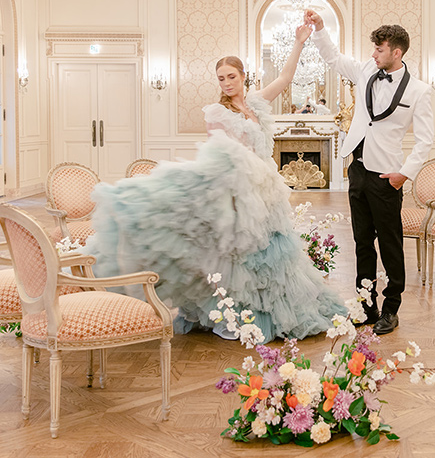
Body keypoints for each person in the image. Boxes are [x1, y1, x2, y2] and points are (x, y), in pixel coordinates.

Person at [81, 23, 344, 342]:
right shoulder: (217, 113)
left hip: (267, 193)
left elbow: (286, 78)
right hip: (239, 193)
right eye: (221, 78)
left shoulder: (257, 104)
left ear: (243, 76)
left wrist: (300, 42)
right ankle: (236, 312)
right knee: (238, 257)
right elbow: (222, 157)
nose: (227, 82)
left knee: (274, 256)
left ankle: (271, 310)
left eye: (231, 76)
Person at [306, 10, 434, 335]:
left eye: (380, 49)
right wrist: (320, 29)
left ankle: (391, 309)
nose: (373, 54)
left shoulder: (419, 91)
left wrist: (403, 174)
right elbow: (333, 58)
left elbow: (425, 140)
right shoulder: (366, 70)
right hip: (358, 171)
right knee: (362, 243)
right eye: (374, 48)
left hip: (387, 177)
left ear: (397, 52)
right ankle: (366, 305)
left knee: (390, 244)